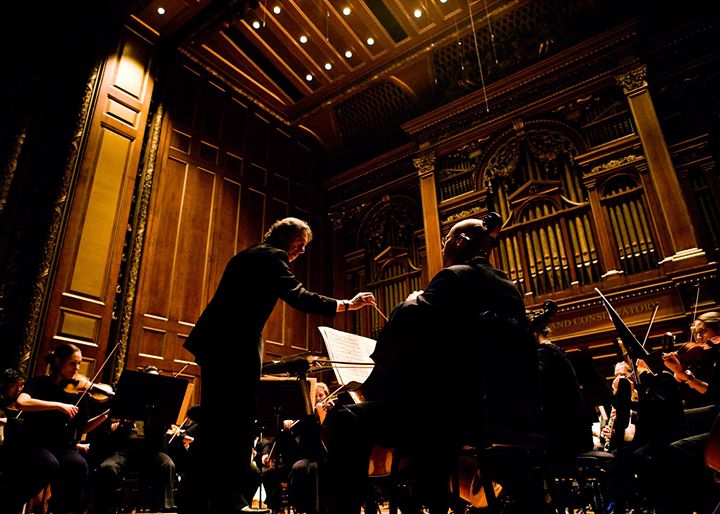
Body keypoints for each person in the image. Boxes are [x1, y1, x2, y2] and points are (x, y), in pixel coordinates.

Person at [321, 212, 542, 514]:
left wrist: (413, 299)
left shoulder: (454, 277)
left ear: (460, 242)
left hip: (449, 414)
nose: (443, 247)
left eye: (446, 240)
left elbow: (405, 328)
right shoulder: (509, 288)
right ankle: (432, 497)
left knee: (344, 421)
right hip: (496, 410)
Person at [181, 217, 376, 514]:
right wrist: (348, 304)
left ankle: (196, 499)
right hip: (234, 346)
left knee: (215, 422)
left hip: (215, 343)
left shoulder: (248, 254)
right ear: (287, 238)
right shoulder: (273, 256)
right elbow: (299, 297)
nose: (302, 251)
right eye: (301, 244)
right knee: (236, 423)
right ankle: (228, 500)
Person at [13, 343, 108, 514]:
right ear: (58, 361)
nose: (77, 368)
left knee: (78, 464)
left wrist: (104, 416)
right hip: (34, 442)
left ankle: (62, 510)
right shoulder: (38, 383)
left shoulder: (76, 392)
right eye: (73, 363)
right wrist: (58, 405)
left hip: (60, 447)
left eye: (79, 364)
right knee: (49, 463)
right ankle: (15, 500)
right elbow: (21, 403)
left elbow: (83, 428)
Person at [90, 365, 178, 514]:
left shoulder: (161, 406)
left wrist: (159, 422)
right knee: (107, 468)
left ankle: (163, 510)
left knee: (167, 464)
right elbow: (108, 433)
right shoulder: (126, 400)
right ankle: (103, 509)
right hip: (124, 452)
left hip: (150, 452)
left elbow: (160, 439)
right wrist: (122, 423)